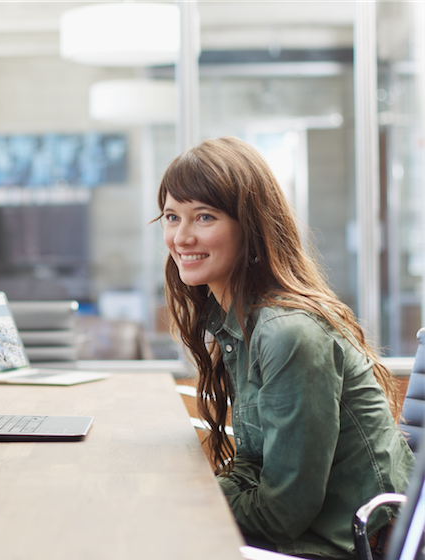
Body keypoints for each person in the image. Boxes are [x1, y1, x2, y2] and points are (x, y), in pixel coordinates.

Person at [155, 136, 415, 559]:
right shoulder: (237, 322)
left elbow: (282, 513)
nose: (181, 237)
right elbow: (253, 463)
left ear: (250, 226)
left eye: (203, 217)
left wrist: (189, 495)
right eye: (171, 216)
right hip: (306, 534)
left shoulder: (286, 334)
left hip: (339, 544)